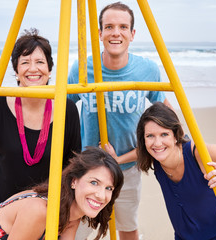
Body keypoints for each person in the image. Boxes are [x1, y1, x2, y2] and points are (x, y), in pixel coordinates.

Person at [67, 2, 172, 239]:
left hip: (127, 168)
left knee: (127, 226)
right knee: (75, 229)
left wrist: (121, 159)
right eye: (109, 26)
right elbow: (62, 109)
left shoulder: (147, 70)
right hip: (88, 169)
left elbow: (166, 118)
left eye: (123, 27)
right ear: (100, 33)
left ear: (132, 34)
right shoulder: (83, 68)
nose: (116, 32)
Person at [0, 28, 81, 219]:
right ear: (17, 71)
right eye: (25, 62)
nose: (33, 69)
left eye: (40, 62)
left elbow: (73, 162)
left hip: (44, 214)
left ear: (50, 70)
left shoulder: (66, 108)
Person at [0, 147, 124, 240]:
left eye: (109, 188)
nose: (101, 195)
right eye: (94, 183)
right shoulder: (39, 210)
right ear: (74, 181)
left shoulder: (72, 215)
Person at [136, 102, 216, 239]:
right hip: (188, 235)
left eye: (164, 134)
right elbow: (137, 152)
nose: (157, 143)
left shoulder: (198, 152)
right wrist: (118, 159)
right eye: (150, 136)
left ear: (176, 136)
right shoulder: (155, 156)